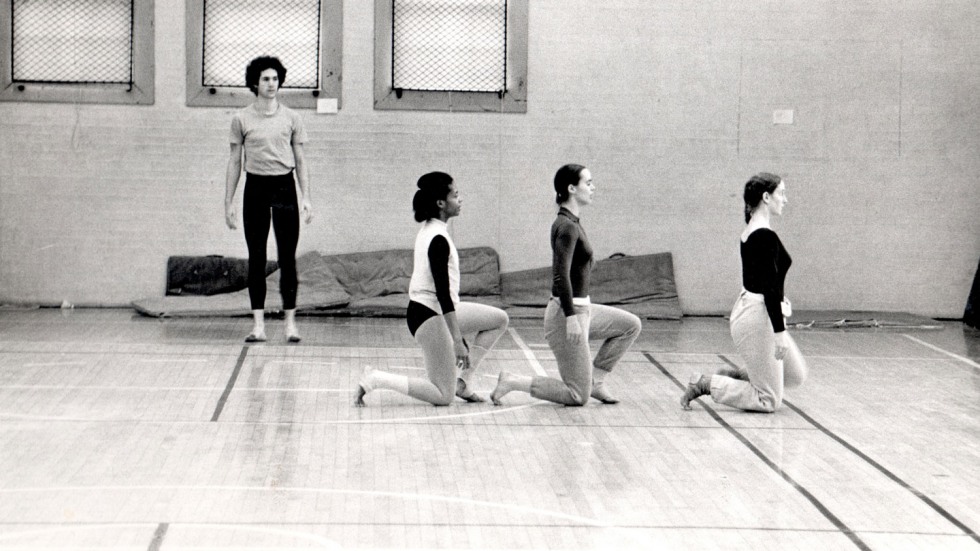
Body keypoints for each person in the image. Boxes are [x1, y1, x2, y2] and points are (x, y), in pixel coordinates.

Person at [491, 164, 641, 406]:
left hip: (583, 309)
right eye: (588, 183)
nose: (593, 188)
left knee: (630, 326)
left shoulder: (573, 221)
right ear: (572, 188)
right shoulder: (567, 226)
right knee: (577, 396)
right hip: (566, 314)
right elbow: (560, 275)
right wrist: (571, 317)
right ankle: (513, 381)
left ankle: (596, 382)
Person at [354, 172, 509, 407]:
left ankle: (464, 382)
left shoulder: (433, 230)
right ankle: (377, 378)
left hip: (436, 310)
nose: (460, 199)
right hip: (428, 315)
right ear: (441, 203)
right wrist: (458, 340)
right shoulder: (437, 238)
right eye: (455, 195)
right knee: (443, 396)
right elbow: (442, 293)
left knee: (499, 319)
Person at [680, 172, 808, 412]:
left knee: (795, 375)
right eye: (782, 193)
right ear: (766, 197)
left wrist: (779, 300)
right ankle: (707, 383)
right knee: (768, 400)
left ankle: (736, 376)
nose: (785, 199)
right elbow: (769, 287)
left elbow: (765, 281)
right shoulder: (763, 236)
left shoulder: (756, 230)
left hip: (757, 309)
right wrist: (779, 333)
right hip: (757, 317)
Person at [224, 56, 313, 343]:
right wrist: (229, 203)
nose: (271, 84)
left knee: (287, 258)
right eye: (265, 79)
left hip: (284, 187)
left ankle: (290, 324)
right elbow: (235, 162)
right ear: (255, 83)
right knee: (257, 258)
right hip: (256, 189)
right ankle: (258, 326)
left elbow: (300, 160)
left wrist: (306, 197)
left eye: (275, 79)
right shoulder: (242, 119)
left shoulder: (292, 118)